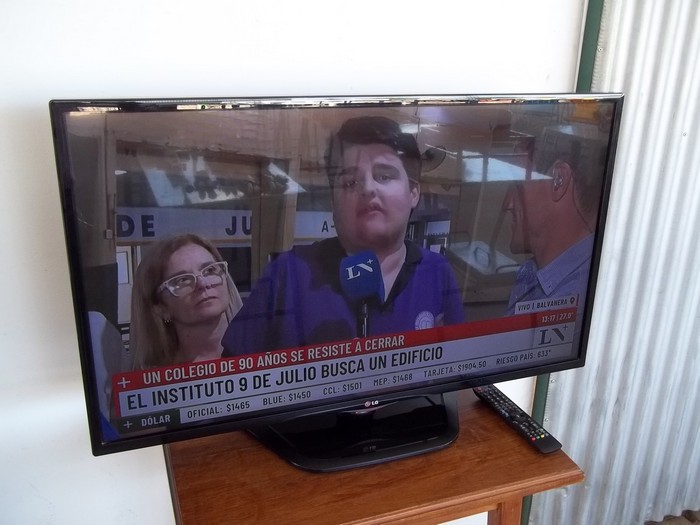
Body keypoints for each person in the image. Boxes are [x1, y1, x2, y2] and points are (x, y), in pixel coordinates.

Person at [222, 116, 465, 356]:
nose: (368, 188)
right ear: (333, 200)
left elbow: (457, 364)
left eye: (384, 176)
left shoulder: (437, 271)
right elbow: (235, 371)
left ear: (413, 193)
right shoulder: (288, 273)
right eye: (350, 182)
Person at [503, 131, 606, 315]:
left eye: (517, 185)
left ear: (559, 180)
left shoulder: (581, 304)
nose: (507, 204)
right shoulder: (532, 274)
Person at [131, 233, 243, 368]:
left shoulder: (263, 352)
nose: (203, 284)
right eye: (182, 280)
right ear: (160, 308)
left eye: (210, 270)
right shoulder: (151, 377)